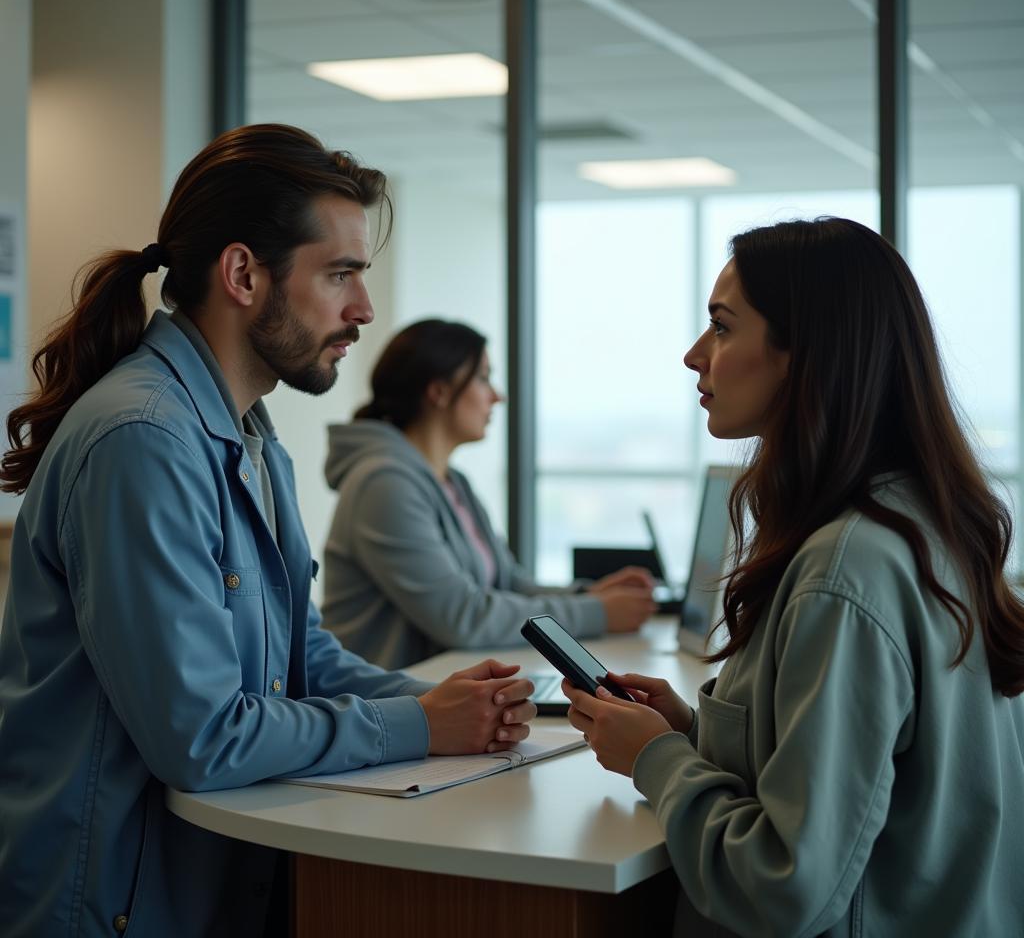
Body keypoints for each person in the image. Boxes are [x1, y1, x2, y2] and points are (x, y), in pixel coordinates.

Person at [0, 124, 536, 938]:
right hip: (112, 906)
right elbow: (203, 736)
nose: (363, 310)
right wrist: (422, 726)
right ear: (244, 274)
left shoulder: (250, 435)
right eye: (341, 275)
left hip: (202, 882)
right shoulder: (142, 437)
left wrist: (444, 703)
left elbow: (299, 656)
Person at [562, 217, 1024, 937]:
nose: (693, 356)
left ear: (805, 356)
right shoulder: (926, 526)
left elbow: (785, 888)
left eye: (721, 328)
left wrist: (655, 759)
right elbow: (860, 778)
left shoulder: (846, 570)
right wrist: (686, 732)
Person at [320, 318, 656, 669]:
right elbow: (462, 616)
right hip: (382, 704)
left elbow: (508, 583)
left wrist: (590, 595)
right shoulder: (384, 484)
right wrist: (598, 613)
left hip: (437, 685)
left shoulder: (452, 482)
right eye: (483, 378)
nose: (497, 396)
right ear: (439, 392)